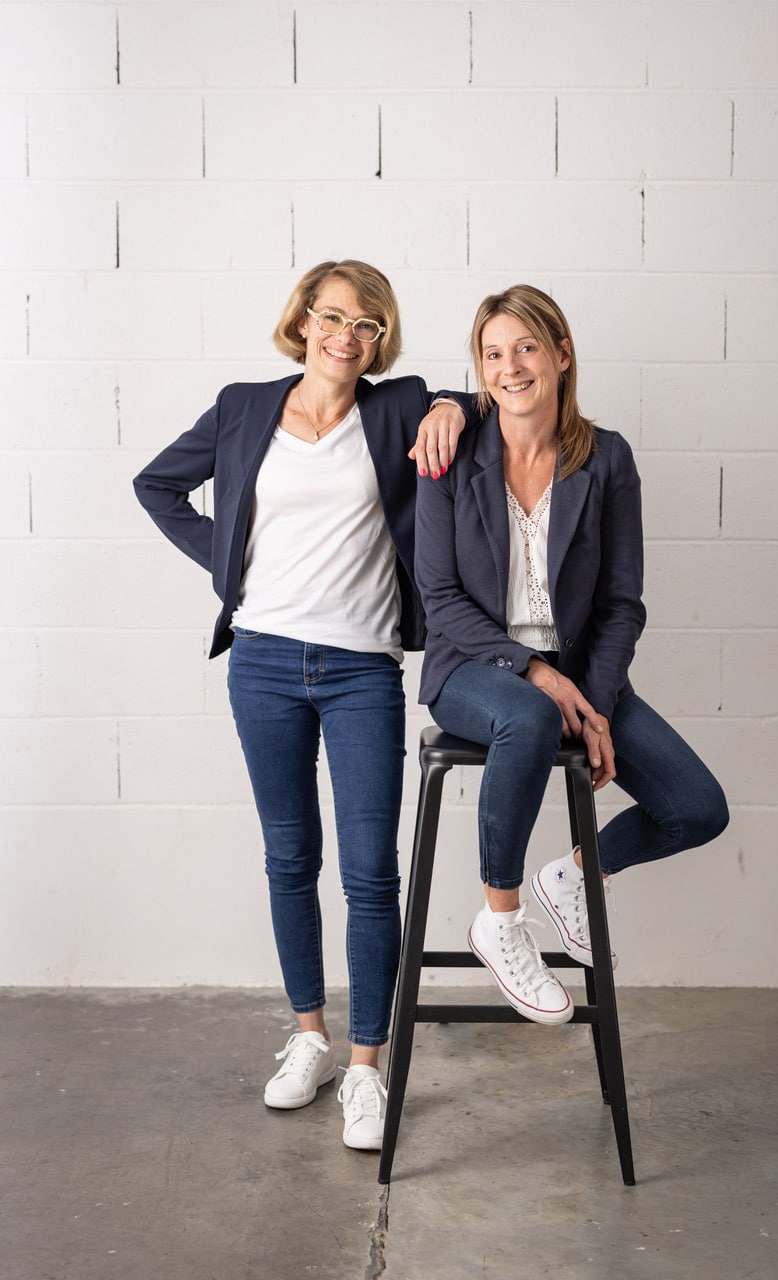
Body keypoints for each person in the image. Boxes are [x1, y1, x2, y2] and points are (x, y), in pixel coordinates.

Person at [133, 260, 466, 1150]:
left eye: (366, 326)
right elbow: (156, 485)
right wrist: (228, 565)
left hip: (362, 668)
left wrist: (453, 407)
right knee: (289, 859)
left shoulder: (396, 408)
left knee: (369, 874)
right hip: (265, 662)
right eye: (332, 318)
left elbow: (468, 399)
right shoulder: (244, 406)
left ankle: (367, 1064)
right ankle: (310, 1038)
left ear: (380, 340)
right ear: (304, 321)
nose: (345, 337)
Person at [414, 284, 729, 1024]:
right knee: (526, 714)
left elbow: (622, 604)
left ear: (560, 355)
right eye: (492, 354)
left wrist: (595, 703)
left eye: (526, 347)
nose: (510, 366)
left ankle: (577, 876)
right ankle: (499, 917)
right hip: (470, 668)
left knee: (697, 808)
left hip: (581, 671)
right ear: (479, 368)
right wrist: (537, 675)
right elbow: (439, 598)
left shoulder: (606, 459)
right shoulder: (450, 452)